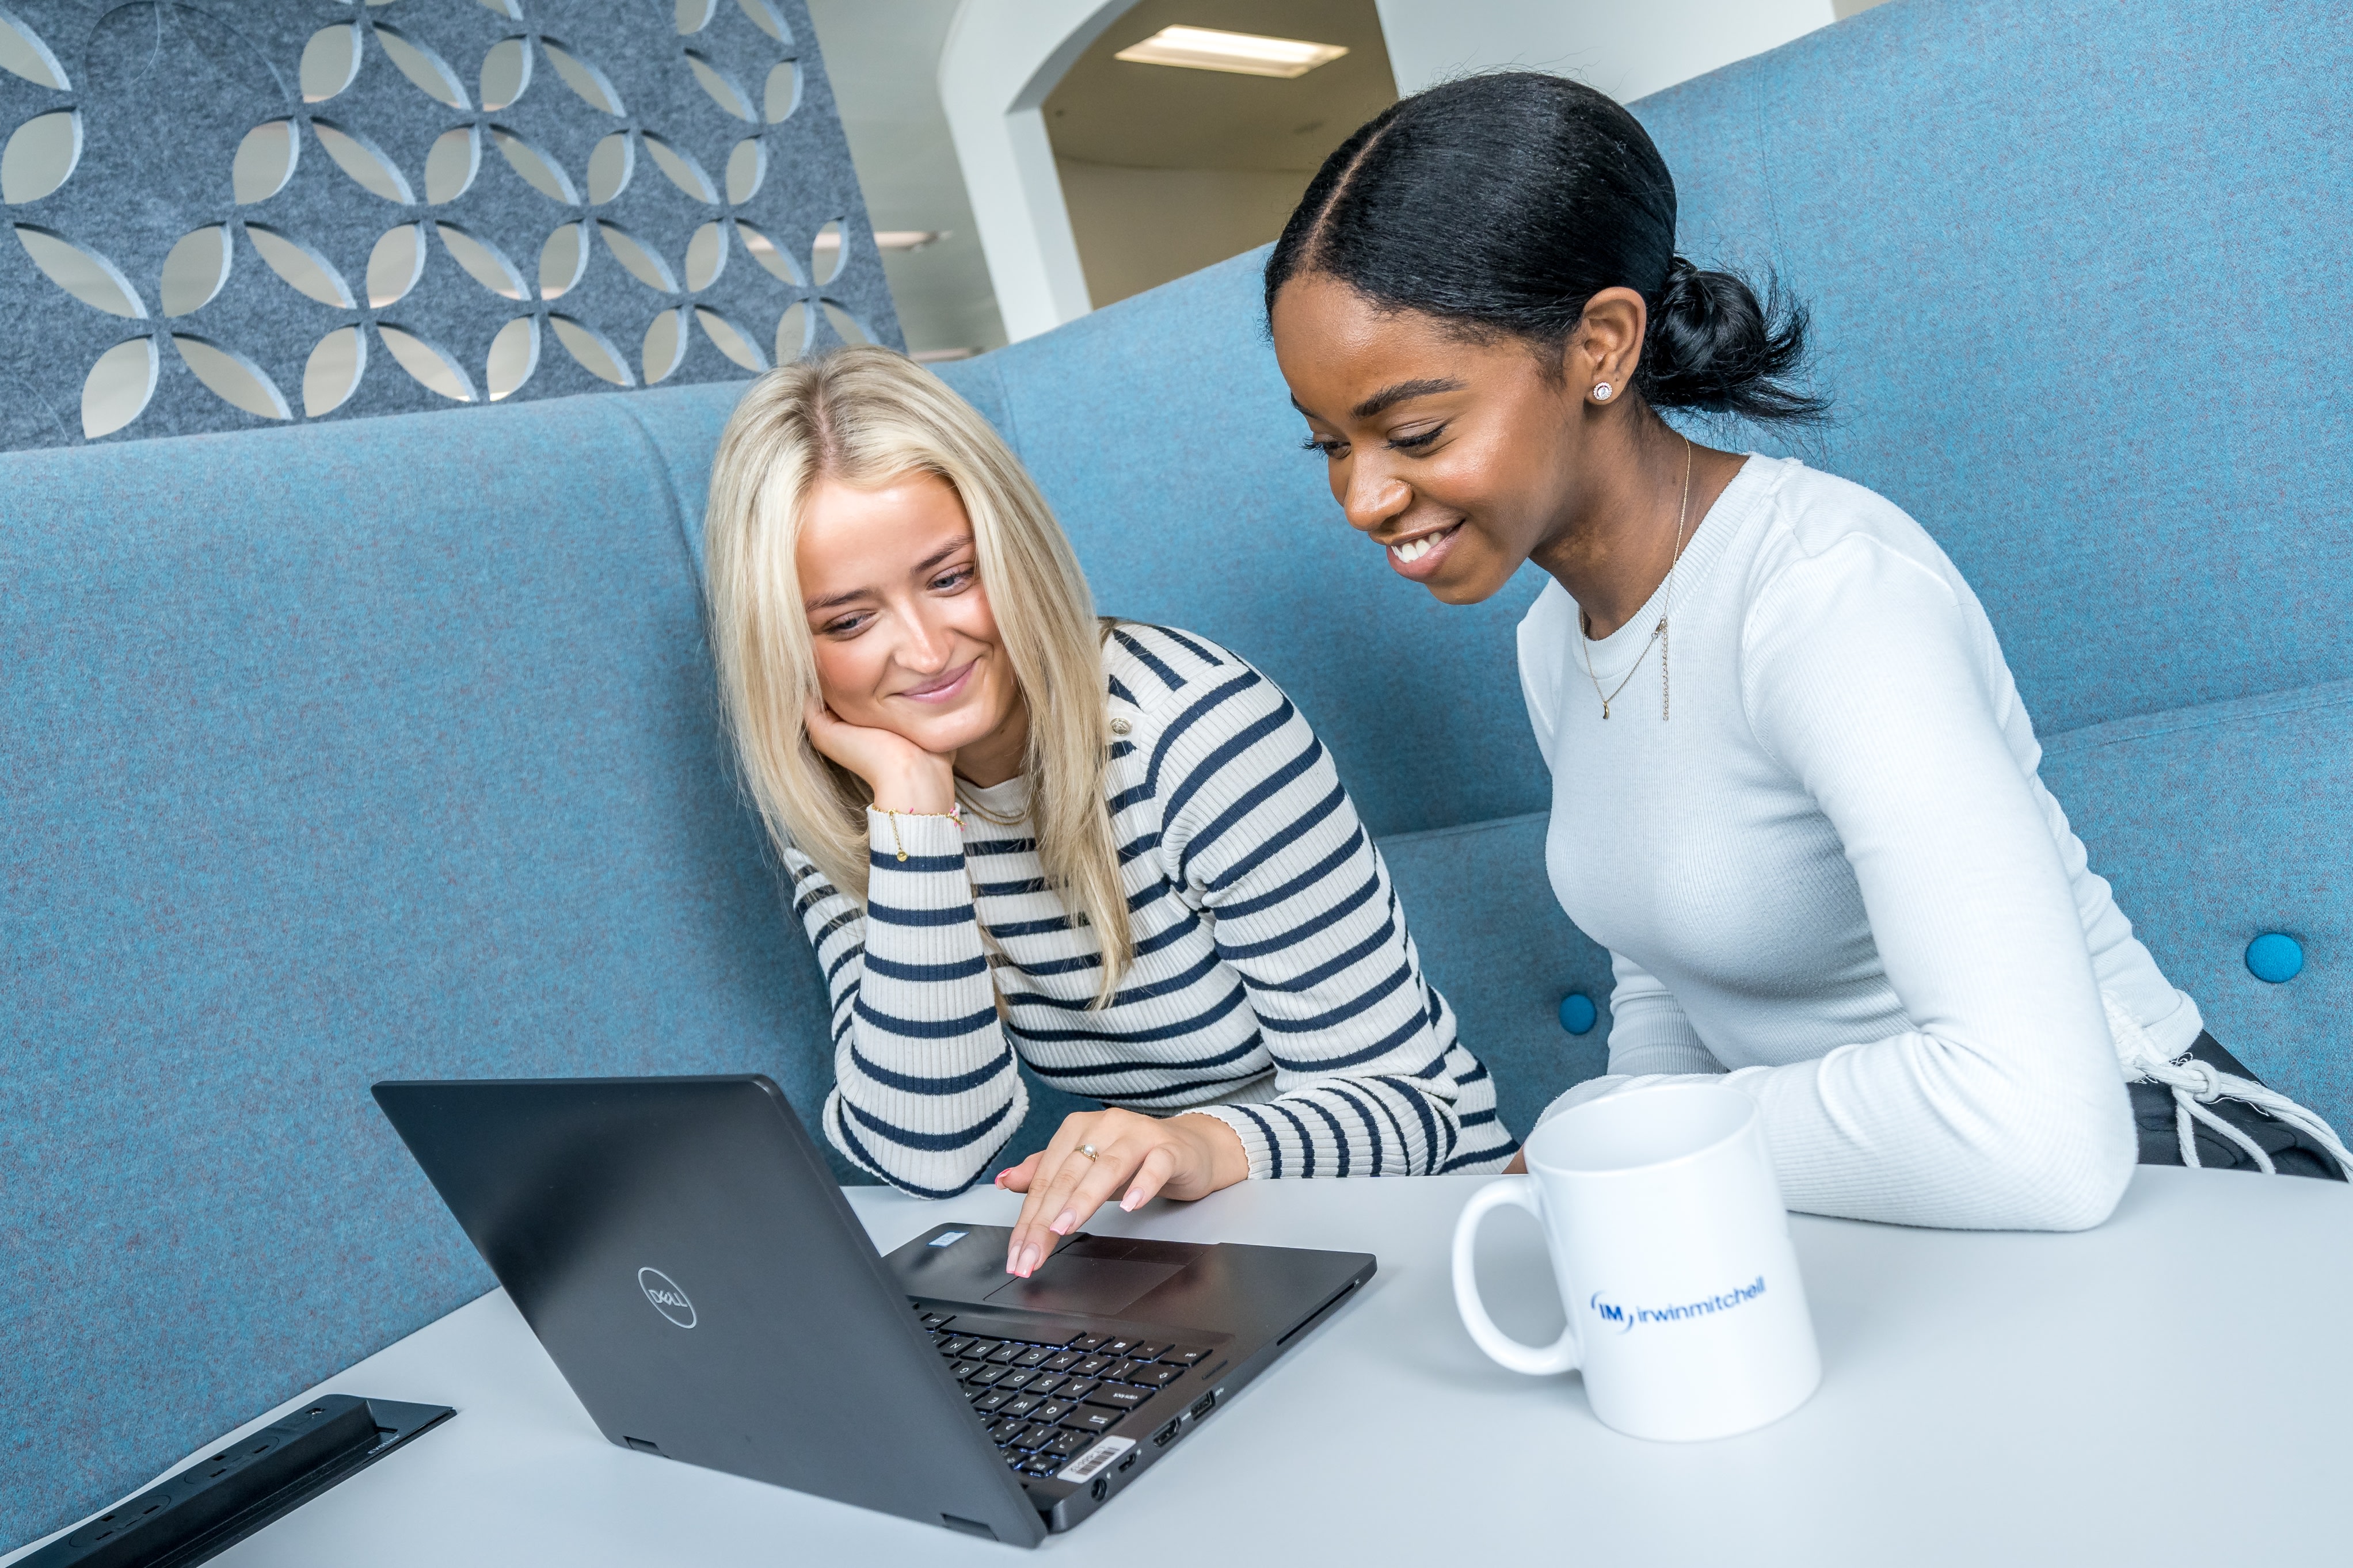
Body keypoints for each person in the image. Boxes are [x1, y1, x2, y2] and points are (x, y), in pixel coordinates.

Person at [1265, 73, 2348, 1229]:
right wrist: (1611, 1183)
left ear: (1600, 345)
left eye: (1414, 431)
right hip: (1868, 1208)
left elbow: (2037, 1134)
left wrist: (1622, 1141)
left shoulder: (1829, 598)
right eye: (1328, 442)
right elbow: (1663, 967)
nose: (1363, 495)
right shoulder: (1554, 640)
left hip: (2159, 1175)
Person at [703, 346, 1517, 1277]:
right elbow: (931, 1155)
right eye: (849, 622)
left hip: (1429, 1232)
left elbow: (1413, 1106)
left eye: (950, 576)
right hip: (1213, 1260)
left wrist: (1198, 1145)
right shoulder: (861, 799)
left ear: (1011, 549)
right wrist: (918, 826)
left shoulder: (1199, 731)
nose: (926, 650)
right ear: (788, 644)